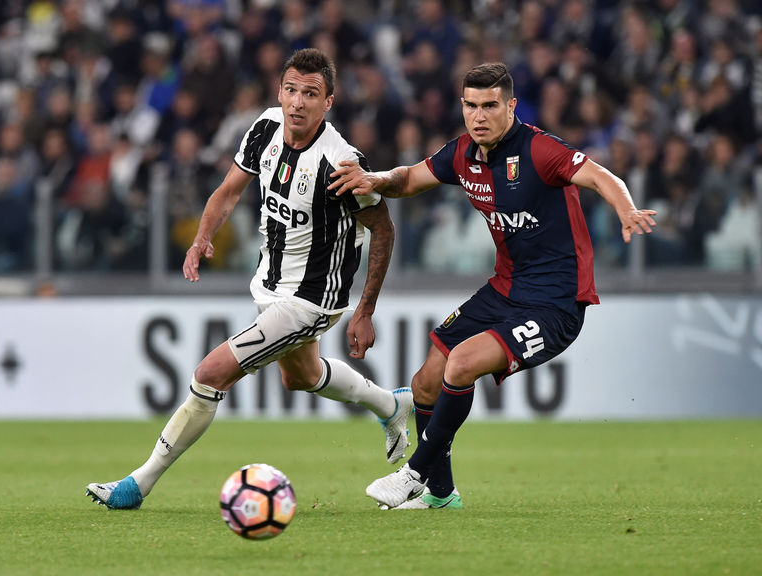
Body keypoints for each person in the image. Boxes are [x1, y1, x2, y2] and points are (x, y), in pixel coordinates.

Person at [86, 48, 412, 510]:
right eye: (291, 90)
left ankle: (139, 483)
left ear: (329, 103)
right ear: (279, 91)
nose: (297, 102)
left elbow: (384, 228)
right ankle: (391, 406)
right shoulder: (264, 128)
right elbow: (229, 190)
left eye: (310, 94)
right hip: (270, 284)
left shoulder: (340, 162)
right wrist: (202, 238)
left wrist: (365, 309)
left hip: (313, 299)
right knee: (303, 377)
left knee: (210, 373)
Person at [329, 62, 657, 510]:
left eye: (489, 105)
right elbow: (409, 178)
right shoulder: (462, 153)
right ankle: (442, 496)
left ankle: (414, 474)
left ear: (510, 106)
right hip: (505, 289)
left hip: (556, 304)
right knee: (425, 382)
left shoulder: (540, 150)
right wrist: (374, 180)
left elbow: (602, 177)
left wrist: (625, 208)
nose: (478, 115)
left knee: (461, 364)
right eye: (470, 105)